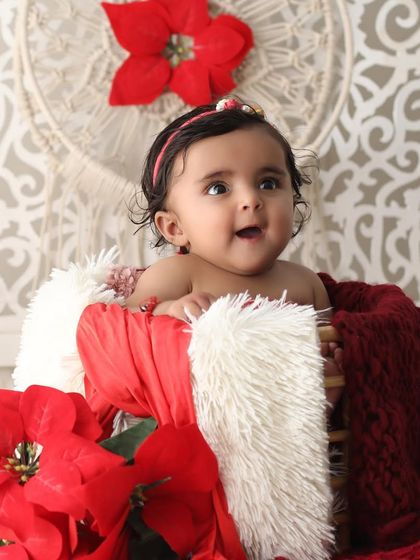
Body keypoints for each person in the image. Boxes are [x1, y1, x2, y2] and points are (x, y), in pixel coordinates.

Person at [126, 96, 342, 409]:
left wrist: (332, 366)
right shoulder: (179, 275)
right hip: (203, 431)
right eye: (218, 188)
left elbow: (331, 346)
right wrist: (168, 311)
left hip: (287, 427)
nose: (251, 200)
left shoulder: (305, 284)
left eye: (268, 183)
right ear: (173, 227)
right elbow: (128, 330)